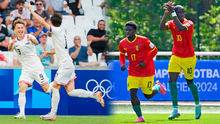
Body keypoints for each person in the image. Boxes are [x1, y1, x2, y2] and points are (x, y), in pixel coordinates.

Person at [26, 2, 105, 121]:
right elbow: (62, 50)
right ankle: (94, 95)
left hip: (65, 66)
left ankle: (52, 114)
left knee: (54, 88)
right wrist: (50, 52)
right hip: (68, 63)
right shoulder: (61, 32)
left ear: (51, 23)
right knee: (71, 91)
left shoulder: (56, 31)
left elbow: (42, 22)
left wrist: (31, 11)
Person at [159, 3, 201, 120]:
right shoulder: (172, 22)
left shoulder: (189, 23)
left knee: (189, 83)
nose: (182, 14)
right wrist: (166, 13)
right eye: (180, 12)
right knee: (171, 81)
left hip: (188, 58)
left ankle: (197, 104)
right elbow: (161, 27)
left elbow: (181, 28)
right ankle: (175, 109)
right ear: (175, 13)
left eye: (183, 12)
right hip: (176, 57)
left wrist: (173, 13)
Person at [119, 21, 166, 123]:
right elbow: (122, 54)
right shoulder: (122, 43)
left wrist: (145, 62)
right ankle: (140, 117)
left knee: (148, 95)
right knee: (132, 92)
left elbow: (155, 50)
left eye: (130, 30)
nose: (127, 32)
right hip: (132, 72)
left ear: (135, 31)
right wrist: (122, 64)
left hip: (146, 72)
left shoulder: (143, 40)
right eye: (126, 30)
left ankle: (158, 86)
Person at [8, 19, 54, 119]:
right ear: (15, 29)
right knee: (21, 88)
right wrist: (12, 43)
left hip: (36, 67)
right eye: (18, 28)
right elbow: (9, 48)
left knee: (47, 90)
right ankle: (22, 113)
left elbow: (37, 43)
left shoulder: (29, 36)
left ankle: (58, 83)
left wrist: (32, 39)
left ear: (24, 28)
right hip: (26, 69)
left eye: (21, 27)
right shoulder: (14, 41)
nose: (20, 29)